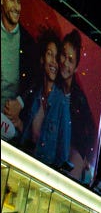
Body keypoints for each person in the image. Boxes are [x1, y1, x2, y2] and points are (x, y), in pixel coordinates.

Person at [19, 31, 71, 168]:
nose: (54, 61)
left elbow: (63, 155)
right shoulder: (34, 95)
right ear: (42, 59)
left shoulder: (62, 103)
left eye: (56, 57)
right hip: (23, 165)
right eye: (49, 54)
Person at [57, 30, 95, 183]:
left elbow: (91, 130)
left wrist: (83, 157)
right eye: (63, 56)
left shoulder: (79, 97)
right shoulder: (51, 80)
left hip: (72, 153)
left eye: (70, 60)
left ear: (76, 67)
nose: (65, 63)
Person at [1, 0, 34, 143]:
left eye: (18, 1)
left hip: (10, 127)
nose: (16, 6)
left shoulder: (28, 42)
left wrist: (20, 103)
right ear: (1, 1)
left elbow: (34, 80)